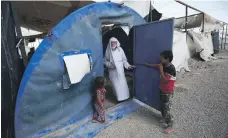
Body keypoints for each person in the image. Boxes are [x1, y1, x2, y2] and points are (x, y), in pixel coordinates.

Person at [145, 50, 176, 132]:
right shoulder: (163, 64)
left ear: (167, 59)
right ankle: (164, 118)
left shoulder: (171, 69)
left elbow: (166, 81)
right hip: (162, 89)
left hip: (167, 91)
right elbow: (157, 65)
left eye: (162, 58)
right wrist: (148, 65)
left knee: (167, 108)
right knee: (162, 106)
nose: (160, 60)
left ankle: (170, 125)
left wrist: (161, 70)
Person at [104, 37, 135, 102]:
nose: (113, 44)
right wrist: (110, 65)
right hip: (113, 72)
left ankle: (125, 97)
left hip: (120, 71)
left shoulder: (120, 50)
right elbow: (105, 61)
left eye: (114, 42)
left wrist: (128, 66)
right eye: (112, 43)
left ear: (117, 42)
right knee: (116, 86)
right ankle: (119, 99)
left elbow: (124, 60)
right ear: (110, 43)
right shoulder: (108, 51)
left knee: (123, 85)